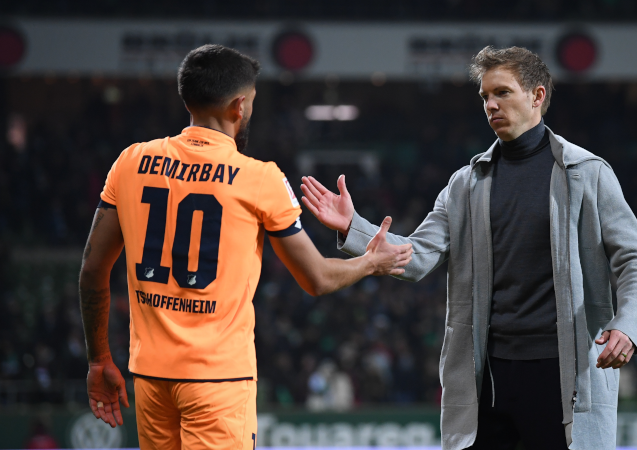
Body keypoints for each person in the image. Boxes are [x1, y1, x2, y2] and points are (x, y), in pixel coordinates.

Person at [301, 46, 637, 450]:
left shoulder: (587, 173)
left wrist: (626, 325)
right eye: (485, 96)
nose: (490, 104)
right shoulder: (464, 185)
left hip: (563, 373)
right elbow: (417, 256)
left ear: (537, 96)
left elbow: (636, 260)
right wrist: (353, 226)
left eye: (502, 93)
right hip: (487, 376)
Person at [78, 44, 412, 450]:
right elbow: (317, 279)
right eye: (251, 102)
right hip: (218, 380)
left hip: (149, 376)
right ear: (239, 105)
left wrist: (99, 360)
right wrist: (371, 263)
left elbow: (93, 269)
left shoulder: (130, 162)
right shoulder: (258, 178)